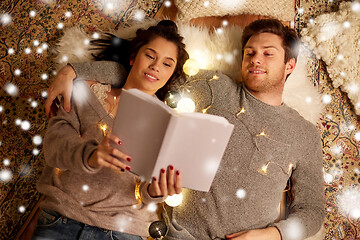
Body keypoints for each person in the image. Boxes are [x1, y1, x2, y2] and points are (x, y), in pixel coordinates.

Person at [45, 19, 325, 240]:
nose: (256, 59)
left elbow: (312, 211)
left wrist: (272, 235)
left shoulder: (304, 134)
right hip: (172, 233)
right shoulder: (215, 86)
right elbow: (148, 75)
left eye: (268, 53)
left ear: (290, 65)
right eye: (250, 52)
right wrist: (75, 70)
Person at [33, 20, 189, 240]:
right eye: (150, 56)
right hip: (62, 219)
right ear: (133, 57)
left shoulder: (168, 123)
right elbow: (53, 146)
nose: (155, 66)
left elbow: (146, 191)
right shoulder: (84, 91)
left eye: (167, 64)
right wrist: (91, 155)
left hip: (124, 231)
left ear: (171, 74)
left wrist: (157, 191)